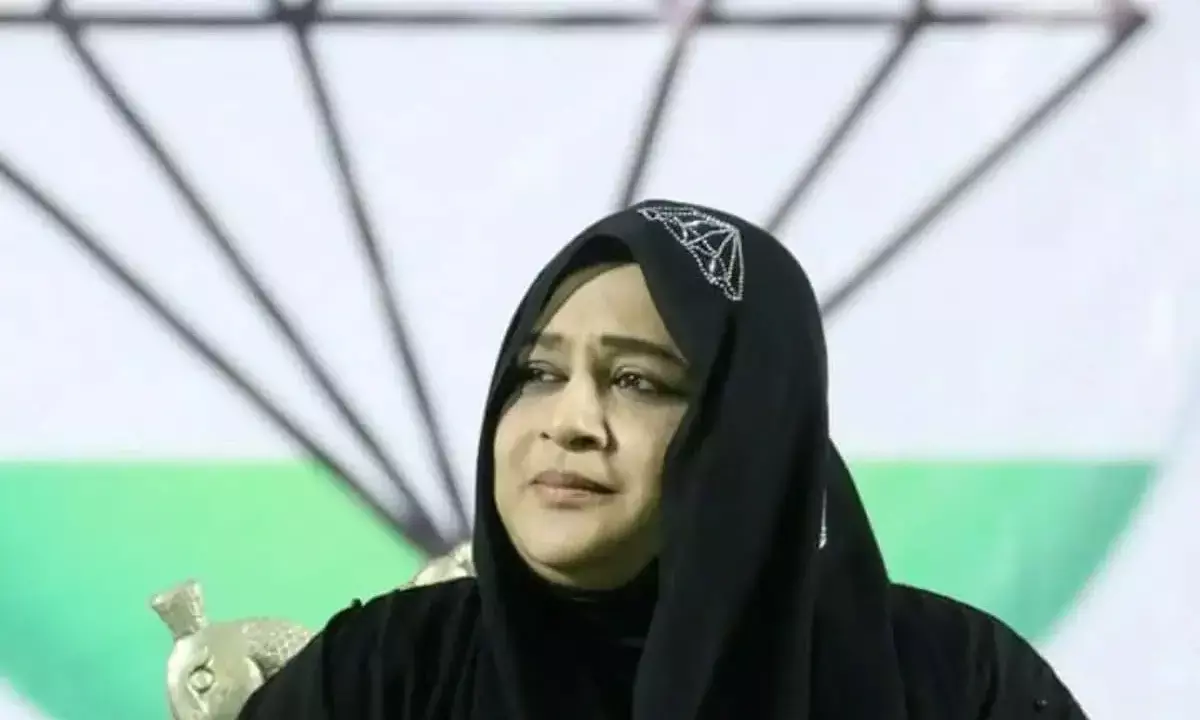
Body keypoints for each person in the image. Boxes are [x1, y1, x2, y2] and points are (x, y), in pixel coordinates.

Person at [238, 200, 1087, 719]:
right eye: (538, 374)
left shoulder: (954, 682)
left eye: (637, 382)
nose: (570, 423)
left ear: (749, 429)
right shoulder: (386, 673)